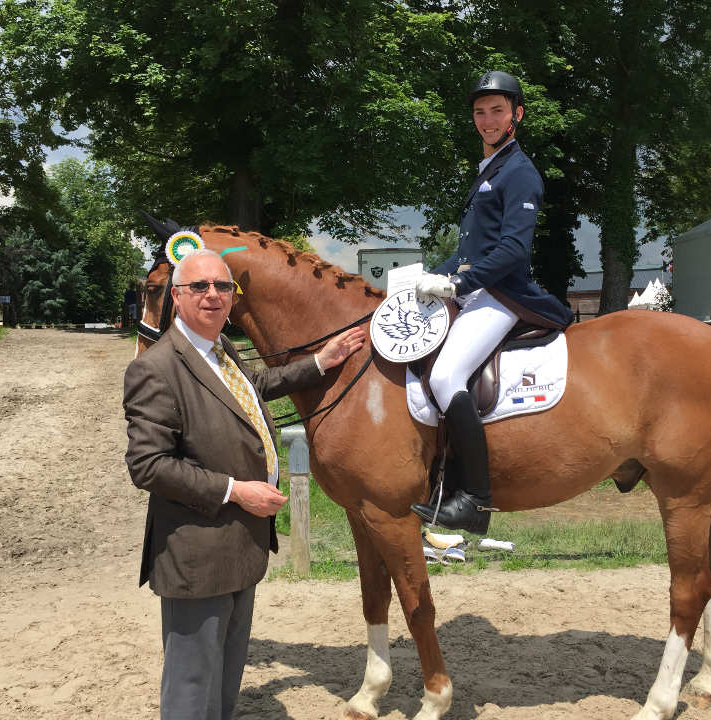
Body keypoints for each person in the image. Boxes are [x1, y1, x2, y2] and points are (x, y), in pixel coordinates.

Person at [123, 248, 365, 719]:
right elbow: (147, 465)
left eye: (223, 286)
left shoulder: (221, 351)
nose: (213, 295)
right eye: (200, 287)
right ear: (176, 296)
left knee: (225, 680)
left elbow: (256, 384)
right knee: (192, 688)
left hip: (239, 547)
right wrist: (236, 490)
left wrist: (320, 361)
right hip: (197, 555)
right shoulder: (155, 369)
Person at [410, 71, 574, 535]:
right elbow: (468, 252)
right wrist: (432, 275)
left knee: (445, 375)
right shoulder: (489, 170)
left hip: (503, 294)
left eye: (497, 110)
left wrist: (458, 286)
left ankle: (475, 501)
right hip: (481, 287)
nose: (487, 119)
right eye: (480, 112)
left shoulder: (520, 172)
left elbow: (512, 252)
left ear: (516, 115)